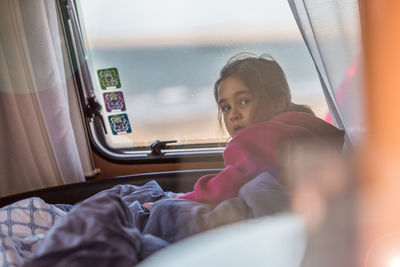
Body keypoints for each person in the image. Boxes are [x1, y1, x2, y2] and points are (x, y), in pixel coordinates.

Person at [146, 53, 345, 207]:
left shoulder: (259, 137)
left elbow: (228, 184)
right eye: (226, 107)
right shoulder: (304, 129)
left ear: (277, 104)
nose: (233, 114)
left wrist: (181, 200)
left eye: (243, 101)